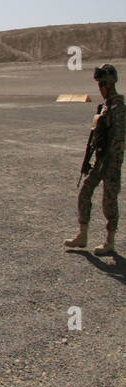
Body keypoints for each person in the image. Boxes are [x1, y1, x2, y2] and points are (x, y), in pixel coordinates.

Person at [64, 64, 124, 256]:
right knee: (85, 192)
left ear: (109, 84)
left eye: (102, 84)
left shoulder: (118, 106)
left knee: (109, 201)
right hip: (100, 160)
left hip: (111, 162)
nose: (99, 88)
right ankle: (83, 235)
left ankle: (110, 241)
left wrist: (110, 162)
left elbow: (119, 138)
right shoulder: (106, 105)